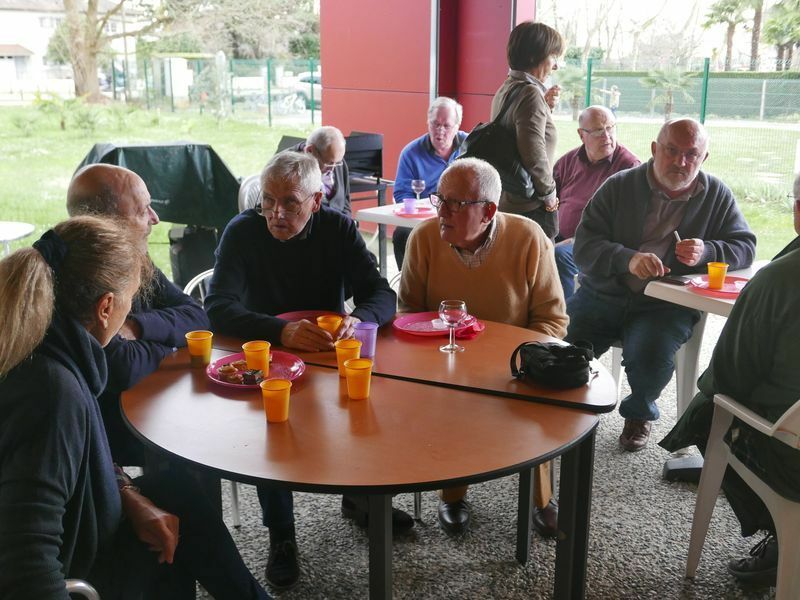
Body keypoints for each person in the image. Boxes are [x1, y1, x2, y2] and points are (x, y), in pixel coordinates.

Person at [0, 217, 269, 600]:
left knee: (173, 496)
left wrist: (129, 495)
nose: (130, 312)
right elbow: (27, 562)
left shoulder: (41, 345)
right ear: (106, 307)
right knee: (175, 541)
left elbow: (80, 463)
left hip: (88, 528)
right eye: (129, 302)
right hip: (80, 573)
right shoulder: (53, 393)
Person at [205, 151, 404, 590]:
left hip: (326, 355)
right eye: (268, 200)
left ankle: (360, 498)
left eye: (290, 202)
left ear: (316, 201)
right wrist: (280, 331)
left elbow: (380, 294)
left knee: (364, 416)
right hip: (265, 358)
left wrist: (359, 318)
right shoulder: (243, 231)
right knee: (274, 439)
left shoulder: (337, 228)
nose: (276, 213)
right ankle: (282, 535)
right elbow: (217, 307)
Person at [399, 158, 568, 539]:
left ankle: (542, 499)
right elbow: (408, 313)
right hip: (444, 361)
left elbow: (553, 319)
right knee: (447, 400)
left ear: (489, 211)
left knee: (538, 399)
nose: (442, 212)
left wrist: (518, 361)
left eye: (455, 204)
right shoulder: (423, 238)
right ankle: (452, 493)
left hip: (515, 363)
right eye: (440, 199)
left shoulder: (529, 238)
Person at [565, 118, 757, 453]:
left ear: (704, 157)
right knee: (567, 347)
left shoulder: (716, 194)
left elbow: (745, 245)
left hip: (666, 304)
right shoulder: (619, 185)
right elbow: (585, 244)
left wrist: (708, 251)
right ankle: (566, 403)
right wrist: (627, 259)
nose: (681, 162)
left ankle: (639, 412)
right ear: (655, 149)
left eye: (691, 154)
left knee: (651, 355)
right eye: (671, 150)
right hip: (604, 292)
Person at [660, 174, 800, 588]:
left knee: (709, 412)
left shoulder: (778, 281)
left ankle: (783, 538)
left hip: (791, 462)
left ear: (797, 210)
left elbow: (729, 379)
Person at [67, 163, 210, 466]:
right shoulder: (77, 276)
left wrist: (137, 327)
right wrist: (172, 348)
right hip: (110, 433)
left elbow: (196, 316)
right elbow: (123, 367)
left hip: (156, 401)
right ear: (107, 223)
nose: (155, 218)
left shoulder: (134, 258)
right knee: (191, 445)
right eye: (143, 210)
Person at [553, 105, 640, 299]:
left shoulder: (628, 167)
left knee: (560, 256)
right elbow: (548, 200)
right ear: (581, 134)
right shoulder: (568, 161)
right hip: (559, 235)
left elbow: (623, 226)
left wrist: (575, 240)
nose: (607, 136)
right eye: (599, 131)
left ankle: (565, 316)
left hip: (596, 242)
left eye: (610, 128)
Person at [490, 20, 564, 240]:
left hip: (508, 200)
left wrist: (545, 107)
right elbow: (533, 153)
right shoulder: (530, 94)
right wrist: (550, 196)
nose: (556, 66)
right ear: (534, 56)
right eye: (553, 57)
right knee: (538, 260)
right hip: (529, 206)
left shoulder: (507, 88)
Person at [391, 96, 468, 269]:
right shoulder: (411, 153)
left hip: (463, 213)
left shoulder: (471, 145)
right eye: (435, 124)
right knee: (402, 234)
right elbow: (402, 193)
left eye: (446, 125)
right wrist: (421, 210)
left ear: (457, 126)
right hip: (426, 218)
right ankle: (409, 280)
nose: (440, 130)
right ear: (428, 123)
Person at [287, 125, 351, 216]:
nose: (332, 169)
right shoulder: (287, 167)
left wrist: (347, 222)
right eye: (329, 163)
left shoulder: (336, 160)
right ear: (309, 151)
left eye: (337, 163)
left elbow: (345, 202)